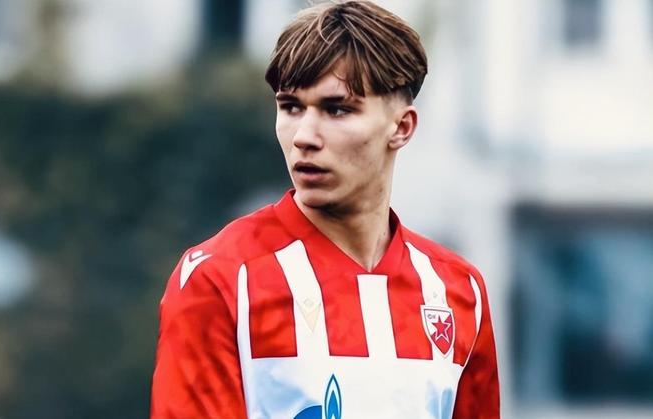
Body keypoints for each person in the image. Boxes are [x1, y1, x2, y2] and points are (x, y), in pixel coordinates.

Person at [150, 1, 500, 418]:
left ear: (401, 127)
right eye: (291, 107)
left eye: (336, 109)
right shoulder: (221, 277)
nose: (304, 136)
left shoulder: (459, 291)